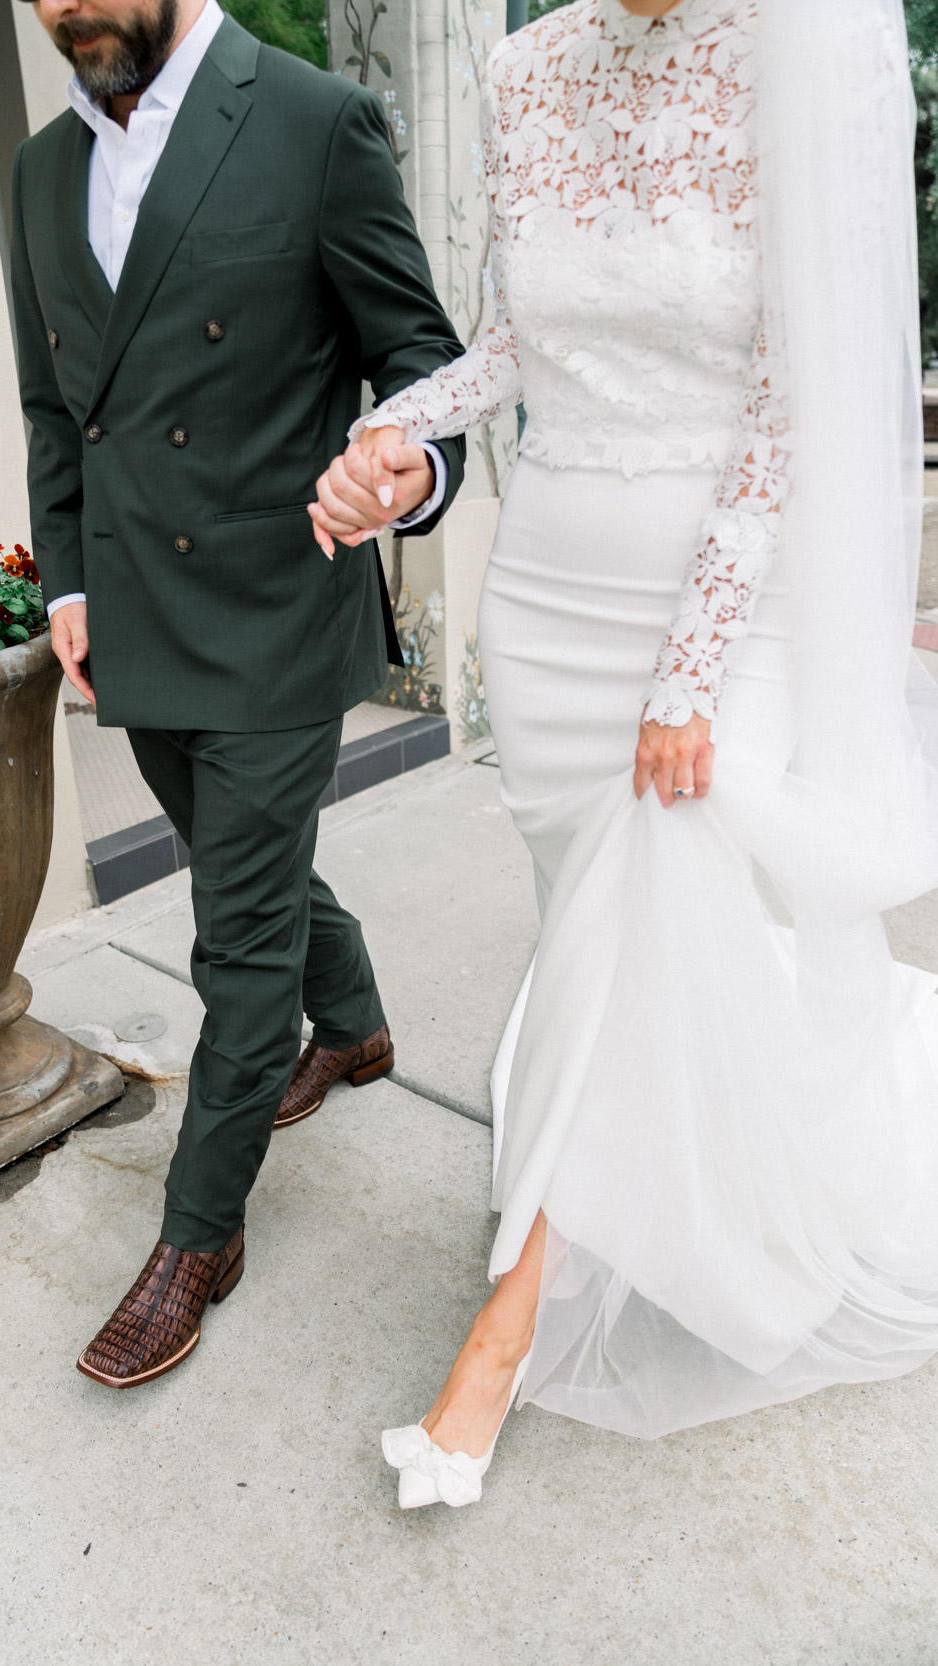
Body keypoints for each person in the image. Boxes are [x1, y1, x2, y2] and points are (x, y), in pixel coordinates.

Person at [314, 0, 938, 1507]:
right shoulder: (526, 67)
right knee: (595, 923)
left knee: (646, 920)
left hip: (724, 598)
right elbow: (523, 338)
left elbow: (799, 394)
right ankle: (656, 1181)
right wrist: (400, 435)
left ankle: (504, 1332)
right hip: (549, 594)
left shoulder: (790, 49)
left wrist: (696, 657)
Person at [10, 0, 466, 1389]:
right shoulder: (39, 168)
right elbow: (55, 404)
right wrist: (66, 582)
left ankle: (196, 1238)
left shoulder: (315, 122)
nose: (69, 3)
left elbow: (425, 365)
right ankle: (363, 1023)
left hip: (275, 604)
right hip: (137, 620)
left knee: (236, 939)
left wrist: (408, 467)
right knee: (239, 860)